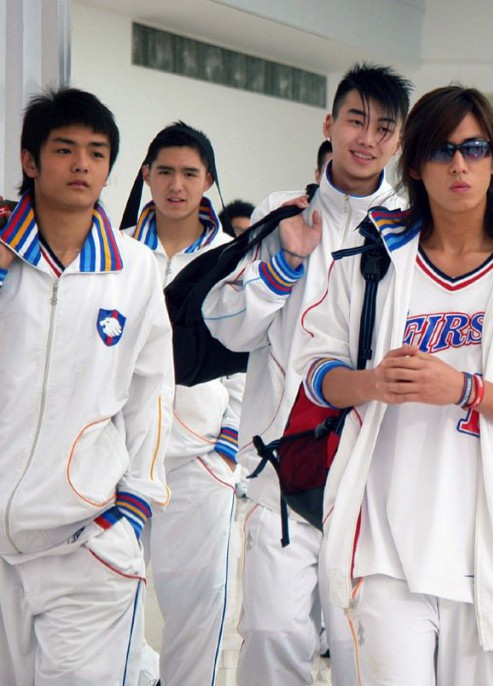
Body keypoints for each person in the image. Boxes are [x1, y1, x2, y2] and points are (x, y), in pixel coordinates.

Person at [296, 85, 493, 685]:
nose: (458, 165)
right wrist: (371, 382)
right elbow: (318, 374)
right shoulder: (370, 257)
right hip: (383, 544)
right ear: (415, 165)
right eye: (441, 150)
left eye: (474, 149)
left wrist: (466, 389)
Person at [202, 62, 412, 686]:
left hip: (374, 478)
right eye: (355, 120)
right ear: (329, 125)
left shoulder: (412, 226)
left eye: (383, 127)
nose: (366, 138)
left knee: (362, 654)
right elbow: (228, 328)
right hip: (282, 468)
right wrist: (285, 264)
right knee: (272, 640)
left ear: (399, 141)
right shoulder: (282, 213)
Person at [0, 87, 174, 685]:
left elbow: (153, 389)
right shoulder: (5, 257)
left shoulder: (134, 268)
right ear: (29, 161)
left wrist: (135, 505)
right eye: (64, 149)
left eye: (97, 153)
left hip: (85, 539)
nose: (81, 164)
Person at [122, 122, 243, 686]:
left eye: (190, 173)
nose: (176, 185)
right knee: (110, 600)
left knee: (198, 609)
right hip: (119, 460)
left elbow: (248, 354)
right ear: (146, 175)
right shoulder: (118, 250)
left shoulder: (230, 259)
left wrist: (228, 443)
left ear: (209, 181)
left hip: (199, 462)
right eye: (165, 171)